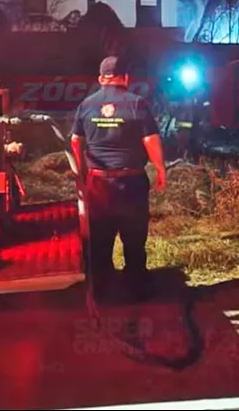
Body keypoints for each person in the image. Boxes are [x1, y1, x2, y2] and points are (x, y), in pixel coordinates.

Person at [71, 55, 167, 301]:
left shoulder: (86, 104)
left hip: (98, 183)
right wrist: (160, 169)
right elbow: (150, 140)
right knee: (134, 240)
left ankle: (102, 294)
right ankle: (136, 292)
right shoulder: (137, 104)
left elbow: (75, 140)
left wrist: (81, 173)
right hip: (131, 183)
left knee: (100, 242)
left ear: (101, 78)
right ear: (126, 78)